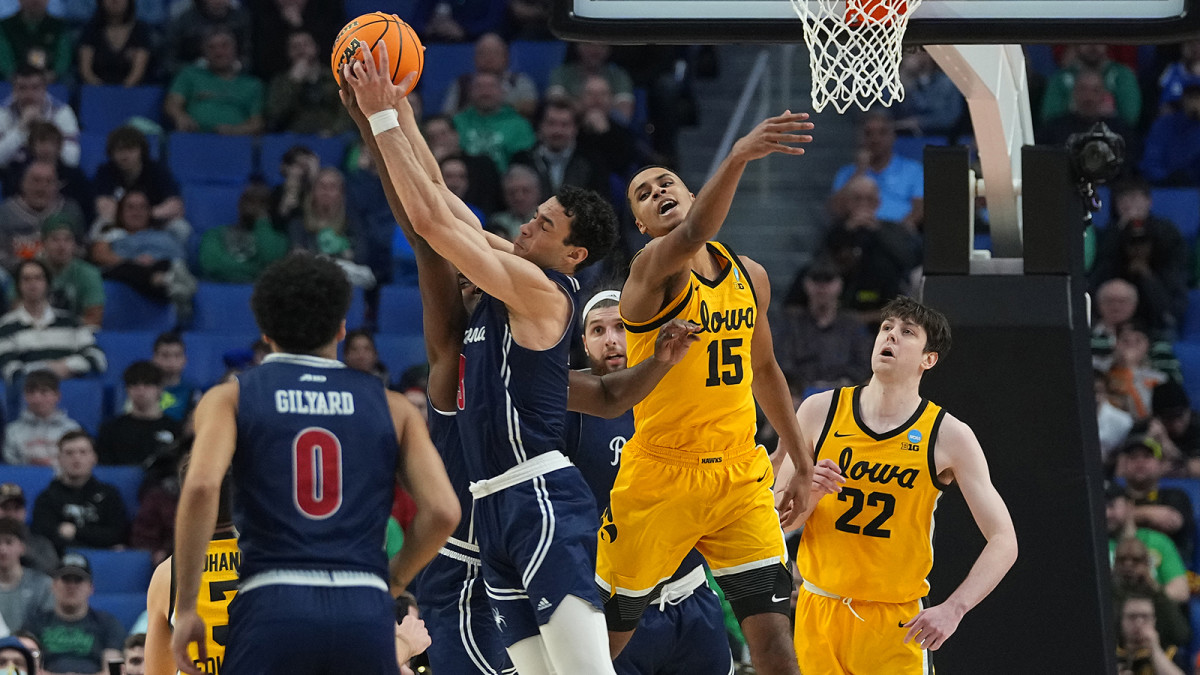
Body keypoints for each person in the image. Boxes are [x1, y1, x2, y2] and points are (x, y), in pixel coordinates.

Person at [339, 64, 698, 674]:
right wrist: (394, 110)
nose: (529, 222)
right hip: (495, 507)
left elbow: (431, 224)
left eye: (545, 223)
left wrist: (380, 118)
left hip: (539, 500)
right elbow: (443, 204)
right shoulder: (514, 271)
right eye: (536, 214)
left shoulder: (542, 291)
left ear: (574, 254)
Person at [170, 253, 460, 675]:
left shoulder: (230, 397)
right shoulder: (394, 406)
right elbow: (444, 511)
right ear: (342, 327)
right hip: (363, 605)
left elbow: (199, 488)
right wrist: (393, 581)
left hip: (273, 601)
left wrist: (186, 605)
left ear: (265, 331)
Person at [604, 110, 814, 674]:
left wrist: (800, 458)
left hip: (739, 475)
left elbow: (765, 370)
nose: (657, 193)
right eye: (643, 196)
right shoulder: (651, 272)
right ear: (644, 227)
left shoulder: (751, 275)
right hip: (661, 475)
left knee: (774, 640)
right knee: (605, 641)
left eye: (665, 182)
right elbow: (696, 233)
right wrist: (742, 152)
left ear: (692, 191)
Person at [783, 296, 1018, 672]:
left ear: (929, 359)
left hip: (893, 621)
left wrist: (954, 609)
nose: (890, 336)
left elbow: (1005, 539)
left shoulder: (948, 435)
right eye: (886, 328)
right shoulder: (819, 411)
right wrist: (808, 493)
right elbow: (779, 522)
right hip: (817, 610)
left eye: (907, 332)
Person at [566, 288, 735, 675]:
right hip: (614, 608)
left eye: (620, 327)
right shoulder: (570, 402)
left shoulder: (684, 389)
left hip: (691, 598)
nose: (611, 338)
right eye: (598, 330)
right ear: (584, 343)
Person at [776, 256, 873, 395]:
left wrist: (845, 381)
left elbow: (863, 364)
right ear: (806, 284)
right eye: (816, 280)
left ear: (839, 284)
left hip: (844, 394)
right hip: (800, 394)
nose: (821, 287)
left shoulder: (853, 325)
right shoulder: (792, 325)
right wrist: (800, 385)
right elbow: (783, 362)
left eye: (828, 280)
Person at [0, 260, 106, 385]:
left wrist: (67, 366)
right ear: (18, 285)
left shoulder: (70, 321)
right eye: (26, 279)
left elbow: (97, 358)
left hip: (71, 390)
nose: (33, 284)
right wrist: (46, 369)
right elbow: (9, 368)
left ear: (47, 283)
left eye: (38, 278)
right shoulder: (6, 325)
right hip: (30, 394)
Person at [24, 553, 125, 674]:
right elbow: (27, 667)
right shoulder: (34, 624)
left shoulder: (108, 624)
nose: (71, 586)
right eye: (66, 579)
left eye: (78, 580)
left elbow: (113, 671)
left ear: (91, 588)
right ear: (53, 585)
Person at [31, 431, 129, 551]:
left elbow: (118, 534)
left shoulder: (109, 494)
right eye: (69, 453)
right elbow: (43, 539)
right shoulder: (46, 498)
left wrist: (75, 531)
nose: (76, 458)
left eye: (83, 452)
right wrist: (98, 540)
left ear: (94, 457)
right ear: (59, 459)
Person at [92, 126, 187, 242]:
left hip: (155, 223)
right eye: (119, 150)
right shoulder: (105, 171)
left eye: (130, 149)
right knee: (99, 227)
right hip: (119, 225)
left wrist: (145, 214)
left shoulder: (157, 170)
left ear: (141, 150)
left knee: (181, 228)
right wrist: (131, 218)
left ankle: (177, 260)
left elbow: (175, 205)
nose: (125, 155)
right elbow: (104, 207)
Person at [164, 26, 264, 135]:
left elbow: (257, 123)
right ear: (204, 53)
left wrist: (234, 131)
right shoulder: (189, 75)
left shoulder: (252, 84)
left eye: (224, 46)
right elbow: (172, 103)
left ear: (236, 49)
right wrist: (180, 116)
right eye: (211, 47)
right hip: (194, 137)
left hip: (236, 141)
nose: (219, 52)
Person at [830, 112, 923, 229]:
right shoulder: (847, 173)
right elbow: (835, 211)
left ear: (893, 136)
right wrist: (860, 171)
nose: (875, 139)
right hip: (858, 231)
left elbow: (920, 209)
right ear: (860, 138)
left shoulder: (913, 170)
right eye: (868, 133)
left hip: (897, 235)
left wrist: (899, 234)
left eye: (882, 132)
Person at [1107, 482, 1189, 605]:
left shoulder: (1158, 541)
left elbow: (1181, 591)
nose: (1106, 513)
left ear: (1129, 506)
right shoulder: (1096, 547)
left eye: (1111, 506)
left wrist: (1142, 602)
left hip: (1155, 615)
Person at [1118, 434, 1195, 562]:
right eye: (1133, 457)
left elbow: (1171, 522)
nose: (1140, 462)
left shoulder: (1175, 495)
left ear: (1161, 464)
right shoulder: (1114, 495)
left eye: (1147, 456)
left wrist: (1123, 516)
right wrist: (1147, 514)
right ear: (1123, 465)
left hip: (1170, 571)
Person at [0, 161, 85, 272]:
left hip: (62, 275)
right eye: (36, 180)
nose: (42, 187)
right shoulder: (5, 212)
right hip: (16, 276)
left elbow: (82, 249)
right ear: (23, 184)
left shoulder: (70, 210)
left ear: (57, 186)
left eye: (49, 182)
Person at [96, 361, 182, 466]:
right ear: (127, 389)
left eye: (147, 384)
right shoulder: (110, 429)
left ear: (159, 389)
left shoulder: (175, 429)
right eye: (134, 384)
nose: (141, 390)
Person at [441, 33, 538, 118]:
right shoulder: (461, 83)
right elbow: (448, 115)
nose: (489, 58)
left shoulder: (519, 81)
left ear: (506, 57)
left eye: (495, 53)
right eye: (483, 53)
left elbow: (530, 109)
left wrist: (493, 101)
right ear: (474, 58)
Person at [0, 67, 77, 168]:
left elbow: (72, 160)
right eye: (22, 88)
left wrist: (41, 128)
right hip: (13, 174)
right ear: (14, 90)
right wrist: (21, 128)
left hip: (53, 172)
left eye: (35, 88)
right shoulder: (3, 112)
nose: (29, 95)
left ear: (44, 89)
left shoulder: (62, 112)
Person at [2, 369, 81, 467]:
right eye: (31, 392)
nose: (37, 399)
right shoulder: (12, 431)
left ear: (57, 396)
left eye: (44, 392)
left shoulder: (72, 430)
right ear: (24, 396)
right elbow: (10, 467)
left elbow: (77, 464)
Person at [40, 216, 104, 329]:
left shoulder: (88, 273)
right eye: (55, 239)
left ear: (74, 244)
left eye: (67, 239)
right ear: (43, 244)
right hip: (36, 334)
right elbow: (18, 311)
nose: (61, 246)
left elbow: (94, 319)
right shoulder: (29, 271)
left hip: (75, 334)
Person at [76, 0, 152, 87]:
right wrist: (103, 90)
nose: (115, 1)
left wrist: (119, 92)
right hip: (95, 91)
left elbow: (138, 72)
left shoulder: (141, 30)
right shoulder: (91, 29)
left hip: (132, 92)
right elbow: (85, 70)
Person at [0, 517, 53, 633]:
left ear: (22, 548)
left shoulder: (43, 585)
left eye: (9, 542)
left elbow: (49, 627)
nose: (2, 549)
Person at [1116, 593, 1186, 675]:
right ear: (1122, 620)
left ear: (1154, 620)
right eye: (1132, 617)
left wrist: (1154, 648)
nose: (1139, 622)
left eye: (1145, 616)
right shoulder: (1110, 652)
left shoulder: (1170, 652)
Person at [0, 485, 57, 575]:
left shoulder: (41, 543)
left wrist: (23, 551)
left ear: (25, 512)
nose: (11, 514)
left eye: (17, 508)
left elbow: (52, 571)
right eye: (6, 508)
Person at [151, 333, 201, 423]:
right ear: (154, 359)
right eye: (165, 355)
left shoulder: (193, 392)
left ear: (184, 360)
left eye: (177, 355)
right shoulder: (142, 389)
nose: (171, 361)